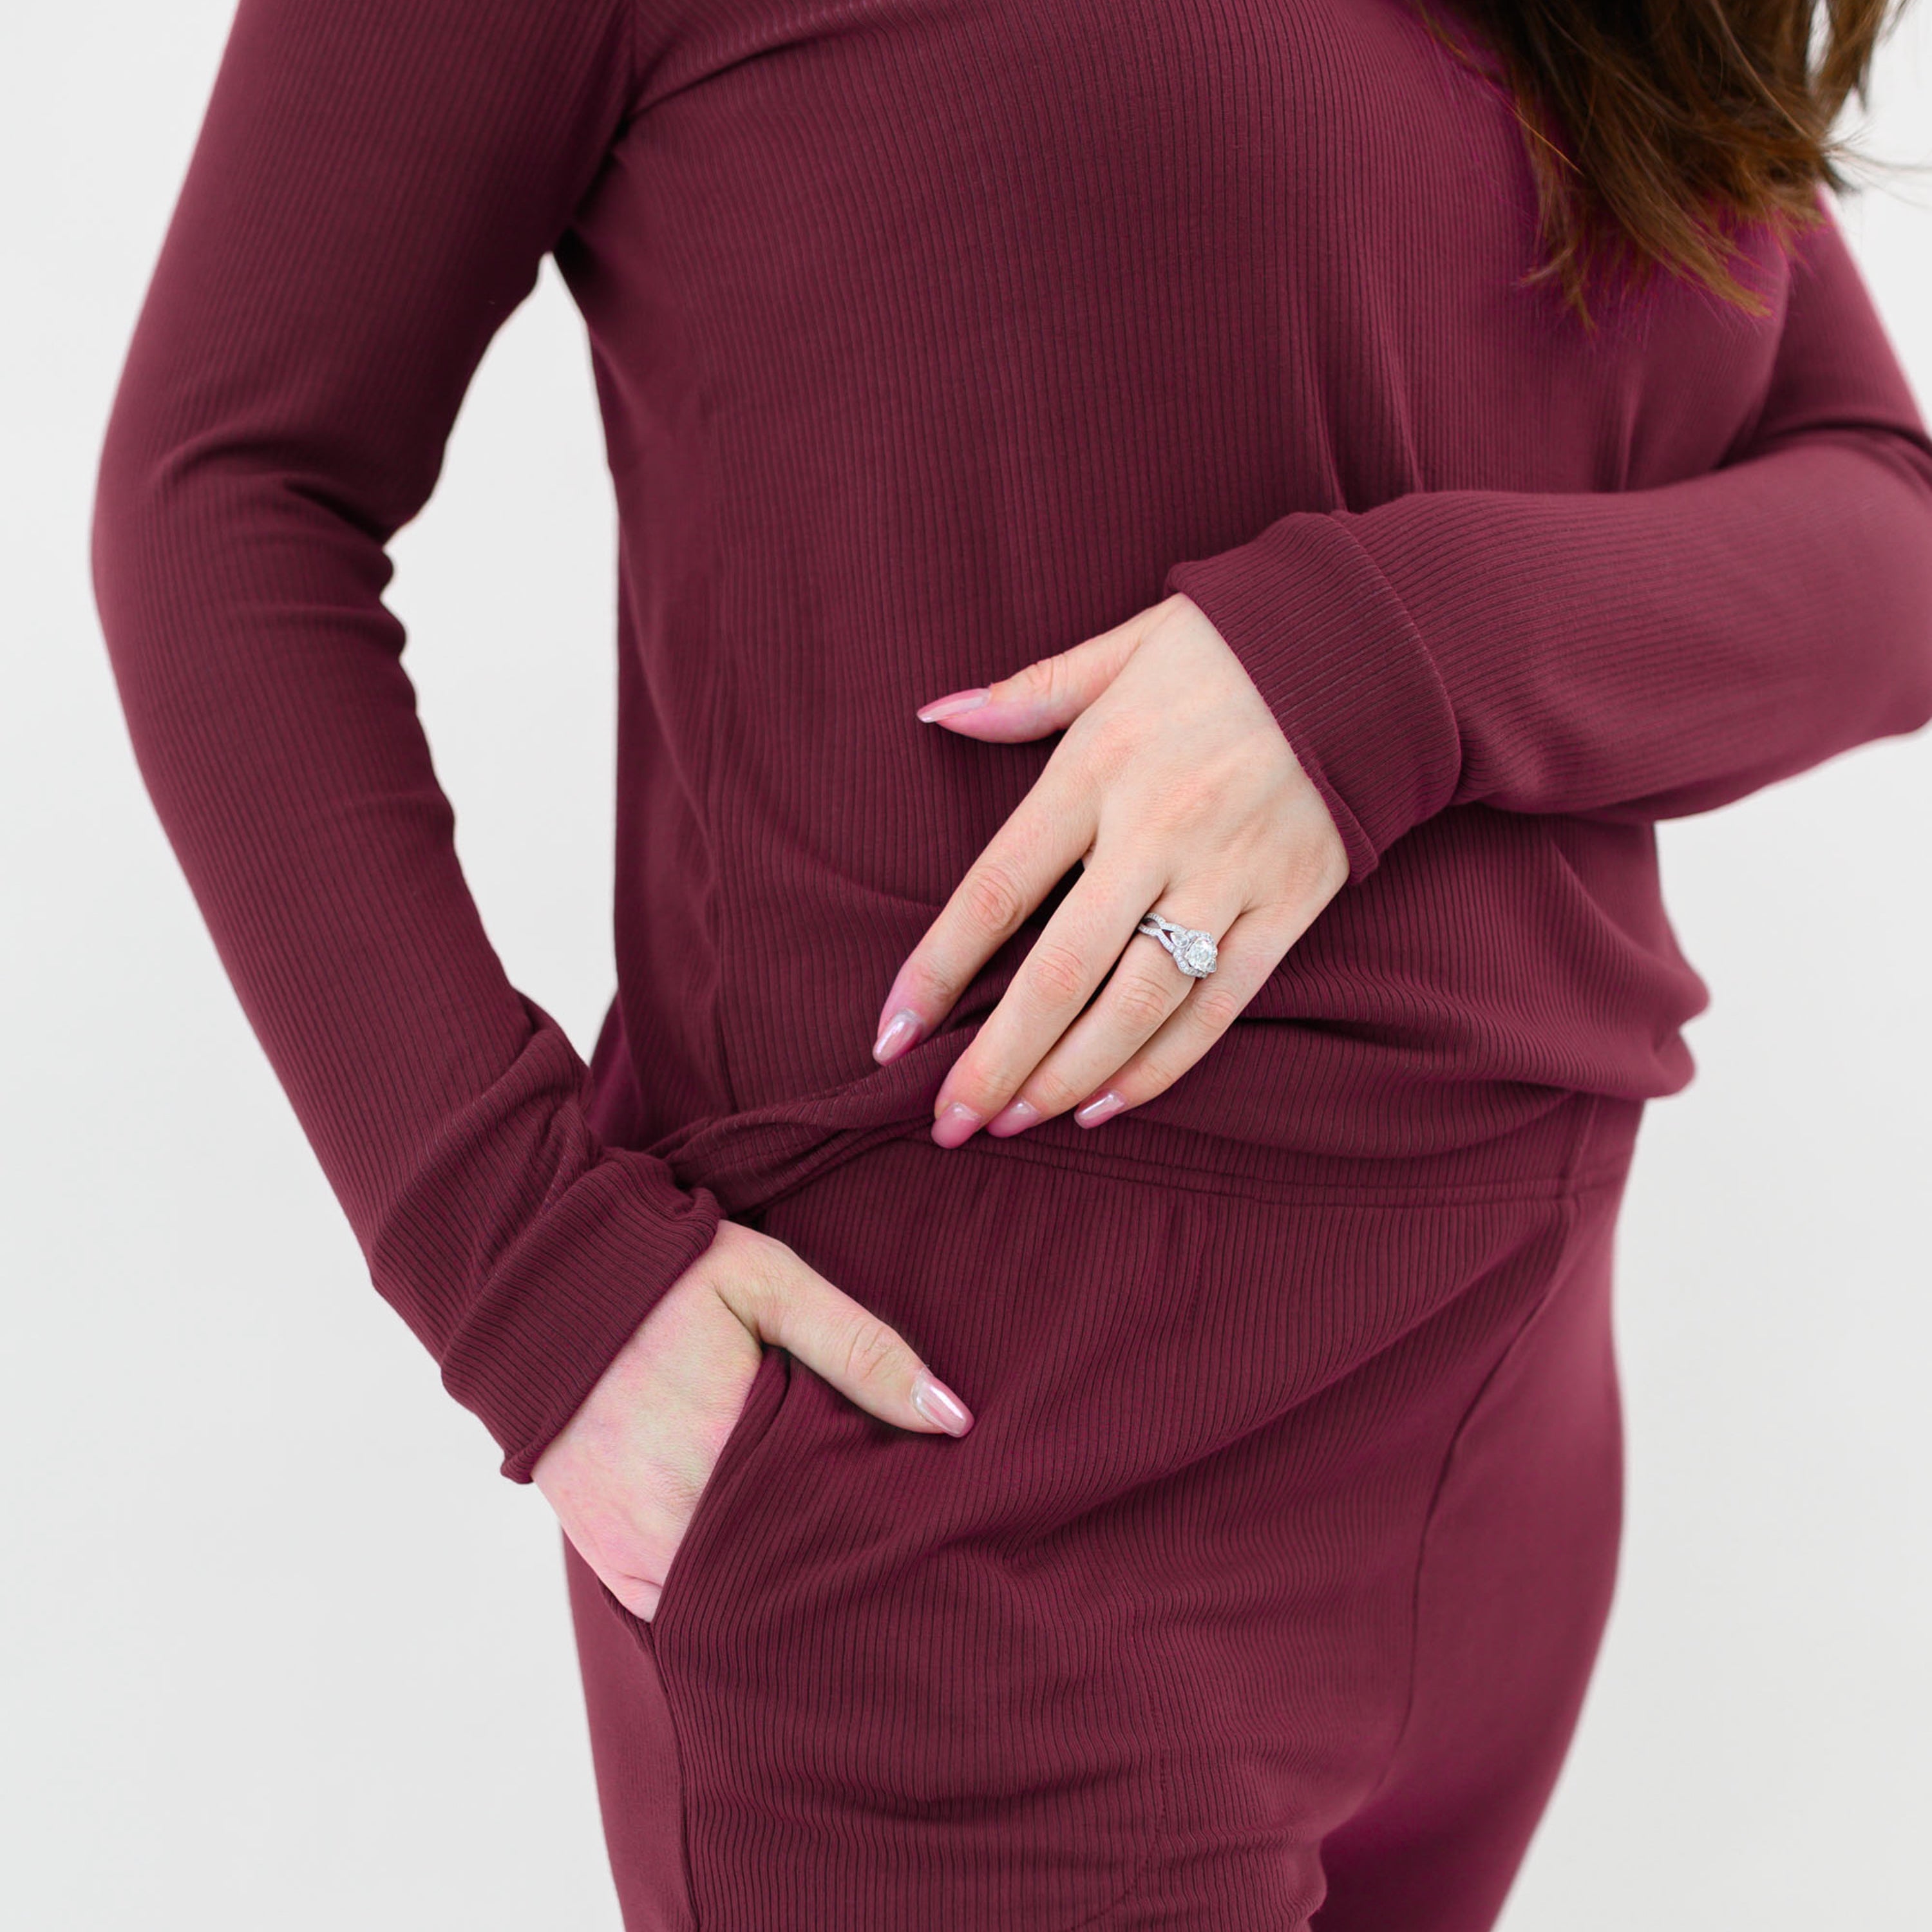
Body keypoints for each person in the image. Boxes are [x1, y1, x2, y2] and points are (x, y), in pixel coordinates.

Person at [90, 0, 1931, 1924]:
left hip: (1510, 1462)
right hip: (959, 1533)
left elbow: (1886, 523)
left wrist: (1400, 655)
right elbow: (224, 487)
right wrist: (525, 1279)